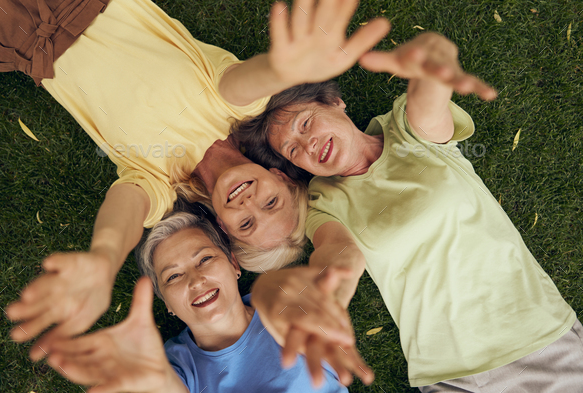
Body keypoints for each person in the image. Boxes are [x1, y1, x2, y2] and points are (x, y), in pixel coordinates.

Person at [0, 0, 391, 360]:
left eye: (246, 224)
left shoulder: (159, 177)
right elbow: (251, 79)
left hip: (21, 37)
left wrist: (104, 258)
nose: (248, 203)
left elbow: (128, 207)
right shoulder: (233, 106)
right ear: (279, 175)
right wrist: (285, 69)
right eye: (271, 202)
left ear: (222, 225)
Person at [233, 32, 583, 391]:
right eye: (293, 150)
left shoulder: (405, 129)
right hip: (448, 377)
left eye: (305, 124)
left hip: (538, 343)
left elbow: (429, 95)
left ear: (335, 102)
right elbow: (339, 253)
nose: (308, 144)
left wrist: (433, 58)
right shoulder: (325, 201)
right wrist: (328, 294)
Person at [43, 203, 374, 392]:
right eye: (173, 276)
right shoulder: (177, 365)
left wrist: (332, 292)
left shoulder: (284, 311)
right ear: (167, 305)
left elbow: (342, 255)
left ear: (233, 264)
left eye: (204, 259)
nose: (196, 280)